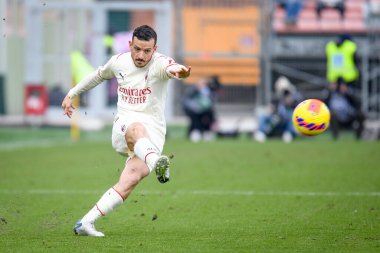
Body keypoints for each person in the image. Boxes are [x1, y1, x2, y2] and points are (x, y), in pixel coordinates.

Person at [61, 25, 191, 236]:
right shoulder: (119, 61)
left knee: (129, 180)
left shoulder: (159, 63)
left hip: (153, 136)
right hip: (125, 127)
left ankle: (86, 223)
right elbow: (97, 76)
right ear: (130, 44)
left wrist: (180, 71)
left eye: (147, 51)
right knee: (136, 128)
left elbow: (172, 67)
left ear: (154, 49)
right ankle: (156, 162)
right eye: (137, 49)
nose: (141, 55)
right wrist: (71, 93)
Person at [254, 76, 301, 143]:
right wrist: (271, 110)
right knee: (263, 116)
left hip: (286, 122)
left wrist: (288, 102)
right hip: (275, 122)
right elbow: (270, 110)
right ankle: (261, 132)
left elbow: (294, 111)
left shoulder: (293, 99)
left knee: (291, 117)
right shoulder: (276, 99)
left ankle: (288, 134)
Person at [182, 76, 220, 142]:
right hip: (194, 111)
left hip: (205, 110)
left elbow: (210, 101)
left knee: (208, 119)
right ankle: (196, 132)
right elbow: (188, 100)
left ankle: (207, 132)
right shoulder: (193, 90)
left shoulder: (208, 91)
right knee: (195, 121)